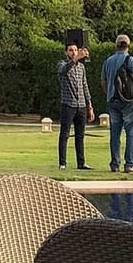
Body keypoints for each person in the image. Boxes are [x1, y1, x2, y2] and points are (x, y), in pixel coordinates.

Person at [102, 34, 133, 174]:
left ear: (116, 45)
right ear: (128, 45)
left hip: (112, 101)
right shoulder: (130, 60)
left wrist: (109, 94)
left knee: (115, 134)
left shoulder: (108, 61)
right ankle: (129, 164)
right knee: (131, 133)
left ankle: (115, 164)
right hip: (129, 101)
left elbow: (103, 82)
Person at [56, 42, 93, 170]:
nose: (73, 52)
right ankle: (62, 163)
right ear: (66, 52)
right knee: (64, 134)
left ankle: (81, 162)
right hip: (68, 104)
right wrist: (75, 59)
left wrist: (89, 106)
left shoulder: (81, 67)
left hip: (81, 104)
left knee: (80, 135)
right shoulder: (62, 64)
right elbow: (63, 71)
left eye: (75, 50)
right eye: (70, 50)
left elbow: (84, 86)